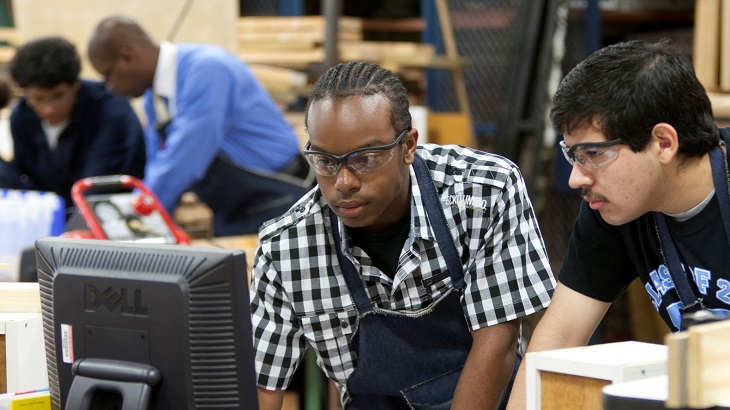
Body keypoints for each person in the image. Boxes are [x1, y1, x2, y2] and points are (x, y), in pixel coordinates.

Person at [249, 61, 555, 409]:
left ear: (408, 146)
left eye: (364, 159)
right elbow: (263, 385)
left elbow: (497, 343)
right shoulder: (286, 248)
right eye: (325, 162)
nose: (344, 182)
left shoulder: (483, 193)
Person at [506, 39, 730, 409]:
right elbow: (559, 339)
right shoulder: (613, 208)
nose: (576, 178)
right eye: (572, 155)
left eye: (592, 154)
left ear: (662, 142)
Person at [87, 15, 314, 236]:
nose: (110, 87)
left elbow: (185, 158)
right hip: (233, 209)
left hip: (280, 201)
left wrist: (133, 217)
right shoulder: (153, 100)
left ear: (127, 56)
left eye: (107, 75)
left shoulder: (206, 71)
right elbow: (158, 167)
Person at [1, 36, 145, 214]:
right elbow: (24, 181)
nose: (48, 109)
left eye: (58, 96)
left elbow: (97, 188)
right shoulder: (22, 117)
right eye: (38, 99)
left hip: (107, 216)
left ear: (76, 84)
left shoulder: (111, 112)